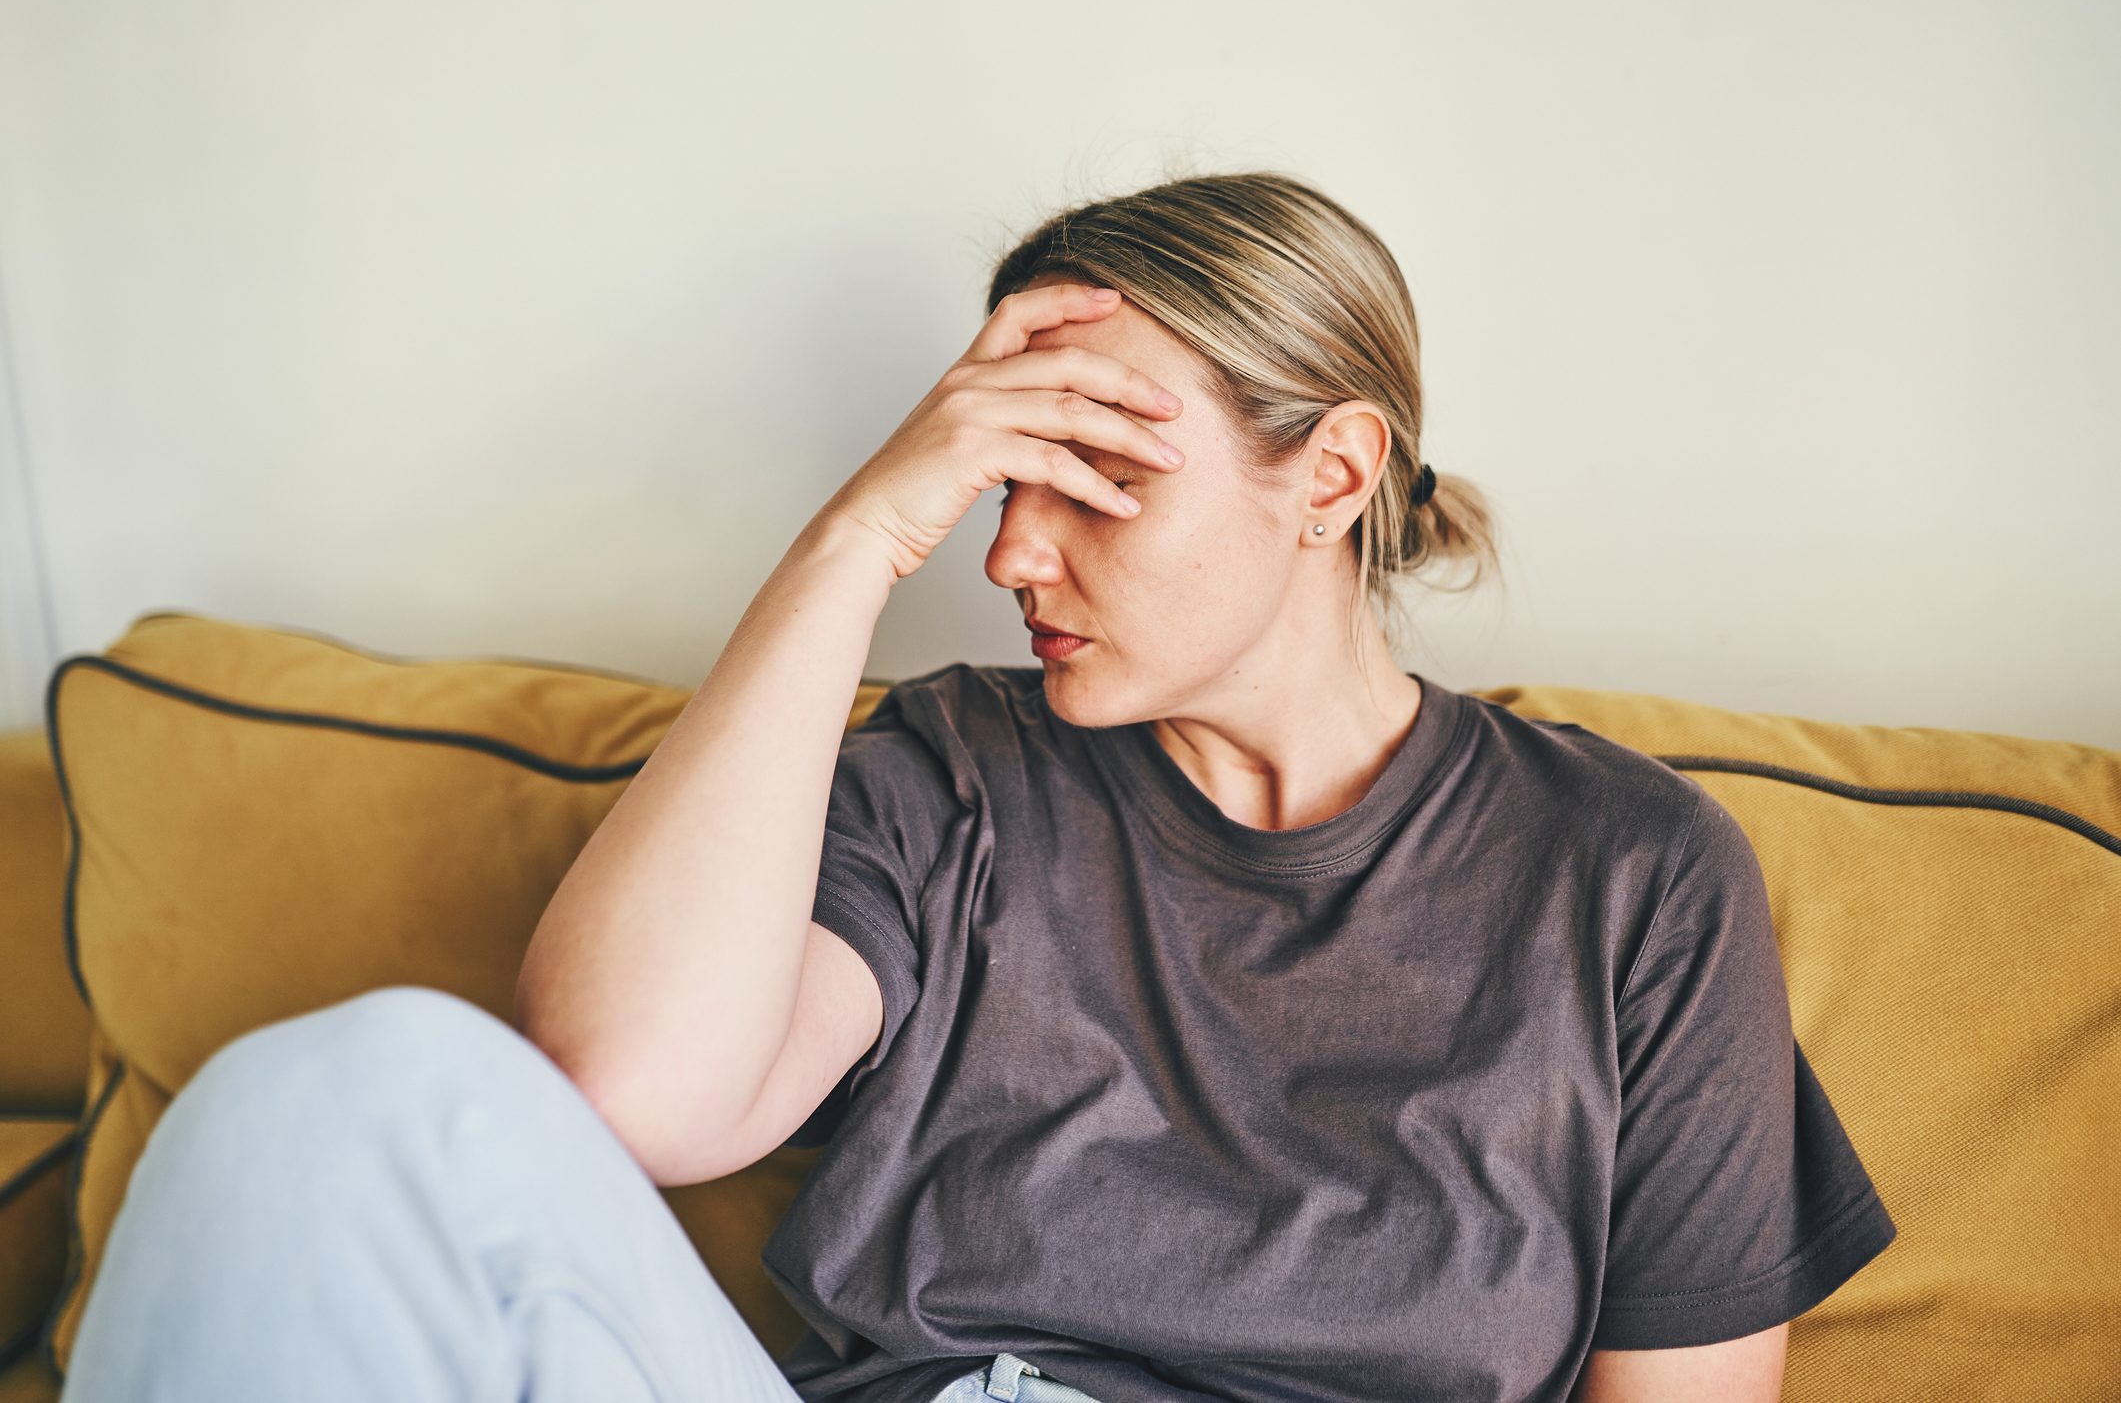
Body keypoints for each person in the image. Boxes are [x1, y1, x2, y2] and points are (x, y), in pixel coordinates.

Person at [59, 170, 1895, 1403]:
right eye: (999, 475)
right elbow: (632, 1088)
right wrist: (855, 536)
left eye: (1093, 476)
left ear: (1330, 472)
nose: (1012, 554)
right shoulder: (946, 776)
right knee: (352, 1088)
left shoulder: (1630, 875)